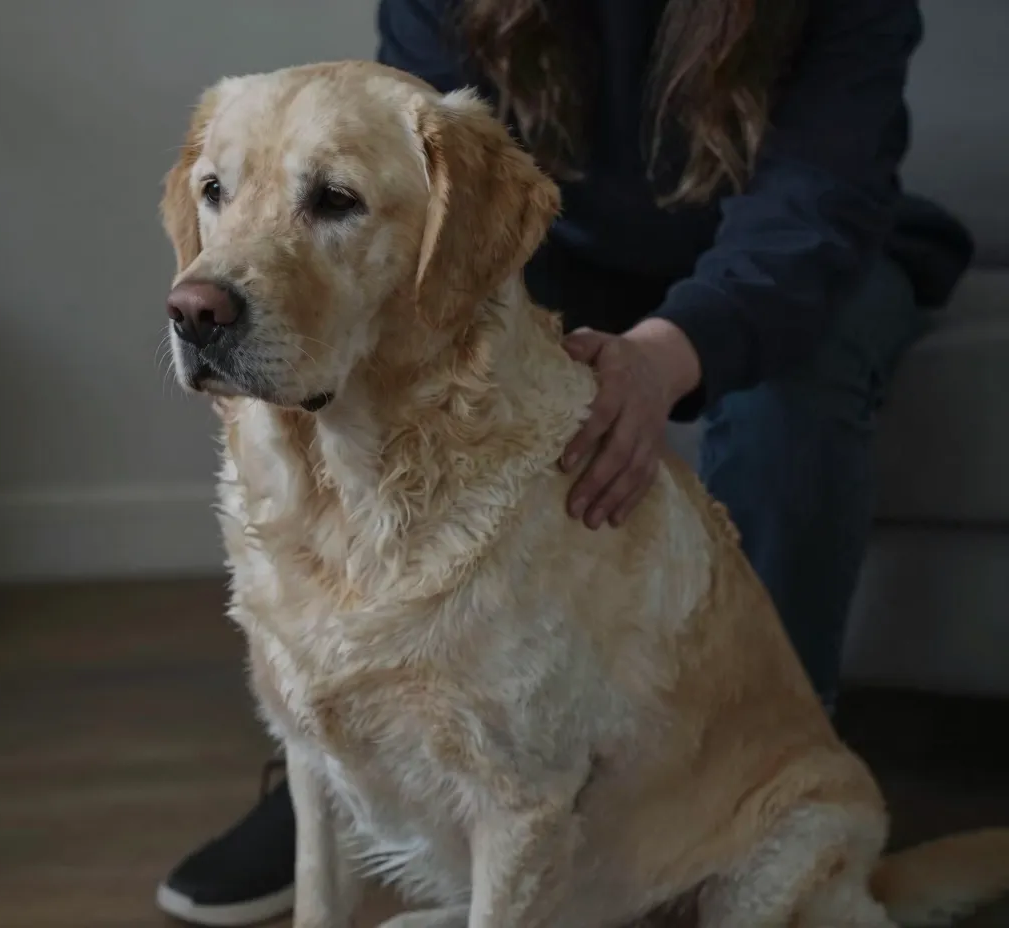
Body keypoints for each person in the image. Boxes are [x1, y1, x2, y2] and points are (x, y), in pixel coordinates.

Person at [155, 0, 974, 923]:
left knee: (793, 394)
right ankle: (370, 759)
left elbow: (816, 198)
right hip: (548, 245)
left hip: (799, 251)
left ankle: (758, 735)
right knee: (453, 352)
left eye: (329, 198)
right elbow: (387, 137)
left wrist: (665, 356)